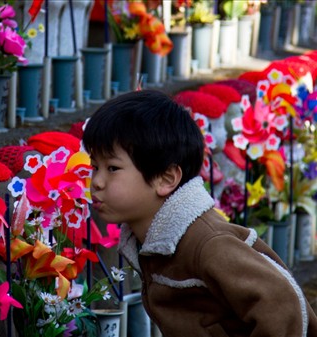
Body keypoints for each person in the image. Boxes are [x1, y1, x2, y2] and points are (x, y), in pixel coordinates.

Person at [82, 89, 317, 336]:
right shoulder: (154, 239)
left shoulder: (208, 244)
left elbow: (284, 304)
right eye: (94, 167)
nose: (96, 181)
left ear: (166, 179)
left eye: (112, 168)